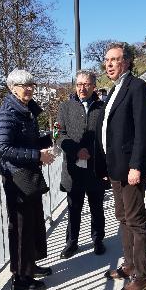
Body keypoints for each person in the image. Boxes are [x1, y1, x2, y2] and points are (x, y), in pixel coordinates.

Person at [96, 42, 146, 290]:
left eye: (114, 60)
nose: (109, 64)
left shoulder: (138, 87)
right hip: (116, 168)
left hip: (130, 169)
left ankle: (142, 276)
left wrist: (136, 166)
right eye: (107, 60)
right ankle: (129, 264)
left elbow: (143, 132)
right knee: (123, 218)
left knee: (136, 221)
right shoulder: (114, 90)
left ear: (128, 61)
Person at [0, 68, 55, 290]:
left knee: (32, 223)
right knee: (20, 228)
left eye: (31, 84)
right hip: (16, 178)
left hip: (28, 175)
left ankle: (30, 266)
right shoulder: (7, 113)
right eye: (24, 85)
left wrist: (47, 139)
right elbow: (4, 149)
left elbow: (27, 141)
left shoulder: (26, 109)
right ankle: (20, 278)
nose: (29, 89)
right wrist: (38, 155)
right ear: (13, 88)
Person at [56, 70, 106, 259]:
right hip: (73, 170)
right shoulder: (65, 107)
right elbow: (58, 135)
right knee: (74, 207)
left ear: (93, 86)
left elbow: (108, 135)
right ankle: (72, 242)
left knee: (97, 207)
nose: (82, 88)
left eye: (86, 84)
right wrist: (76, 150)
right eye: (79, 84)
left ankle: (98, 239)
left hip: (95, 168)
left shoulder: (103, 107)